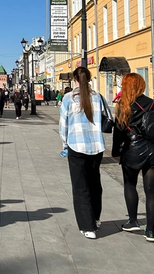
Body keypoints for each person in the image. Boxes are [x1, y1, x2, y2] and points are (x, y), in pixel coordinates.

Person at [111, 73, 154, 243]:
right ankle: (150, 232)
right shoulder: (153, 103)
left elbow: (119, 133)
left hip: (132, 151)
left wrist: (116, 152)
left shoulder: (123, 106)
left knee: (130, 185)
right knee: (152, 192)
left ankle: (133, 221)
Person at [59, 67, 107, 240]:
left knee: (80, 187)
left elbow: (63, 124)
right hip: (96, 147)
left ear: (74, 79)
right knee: (95, 183)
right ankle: (96, 217)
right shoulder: (98, 97)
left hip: (76, 146)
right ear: (89, 78)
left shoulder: (68, 98)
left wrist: (65, 144)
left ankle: (88, 227)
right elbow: (103, 119)